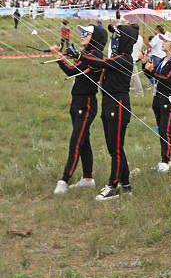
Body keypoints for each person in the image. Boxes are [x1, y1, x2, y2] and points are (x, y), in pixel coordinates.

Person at [77, 23, 140, 200]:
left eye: (118, 36)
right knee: (115, 147)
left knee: (115, 149)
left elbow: (100, 62)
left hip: (118, 105)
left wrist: (81, 55)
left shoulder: (125, 58)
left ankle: (113, 186)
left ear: (125, 40)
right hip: (109, 104)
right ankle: (125, 183)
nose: (114, 38)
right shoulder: (118, 56)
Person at [49, 24, 106, 195]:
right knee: (84, 141)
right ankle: (87, 179)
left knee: (76, 142)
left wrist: (59, 57)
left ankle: (64, 180)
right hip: (77, 102)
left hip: (86, 104)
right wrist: (59, 56)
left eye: (86, 33)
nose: (81, 35)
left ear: (95, 38)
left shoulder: (95, 56)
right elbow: (73, 70)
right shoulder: (86, 54)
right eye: (82, 32)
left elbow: (72, 71)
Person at [141, 32, 171, 173]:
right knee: (161, 130)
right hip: (158, 98)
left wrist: (152, 72)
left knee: (165, 130)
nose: (163, 43)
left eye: (166, 41)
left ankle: (166, 160)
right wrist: (144, 66)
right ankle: (165, 160)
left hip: (168, 99)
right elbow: (153, 76)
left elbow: (166, 78)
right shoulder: (162, 60)